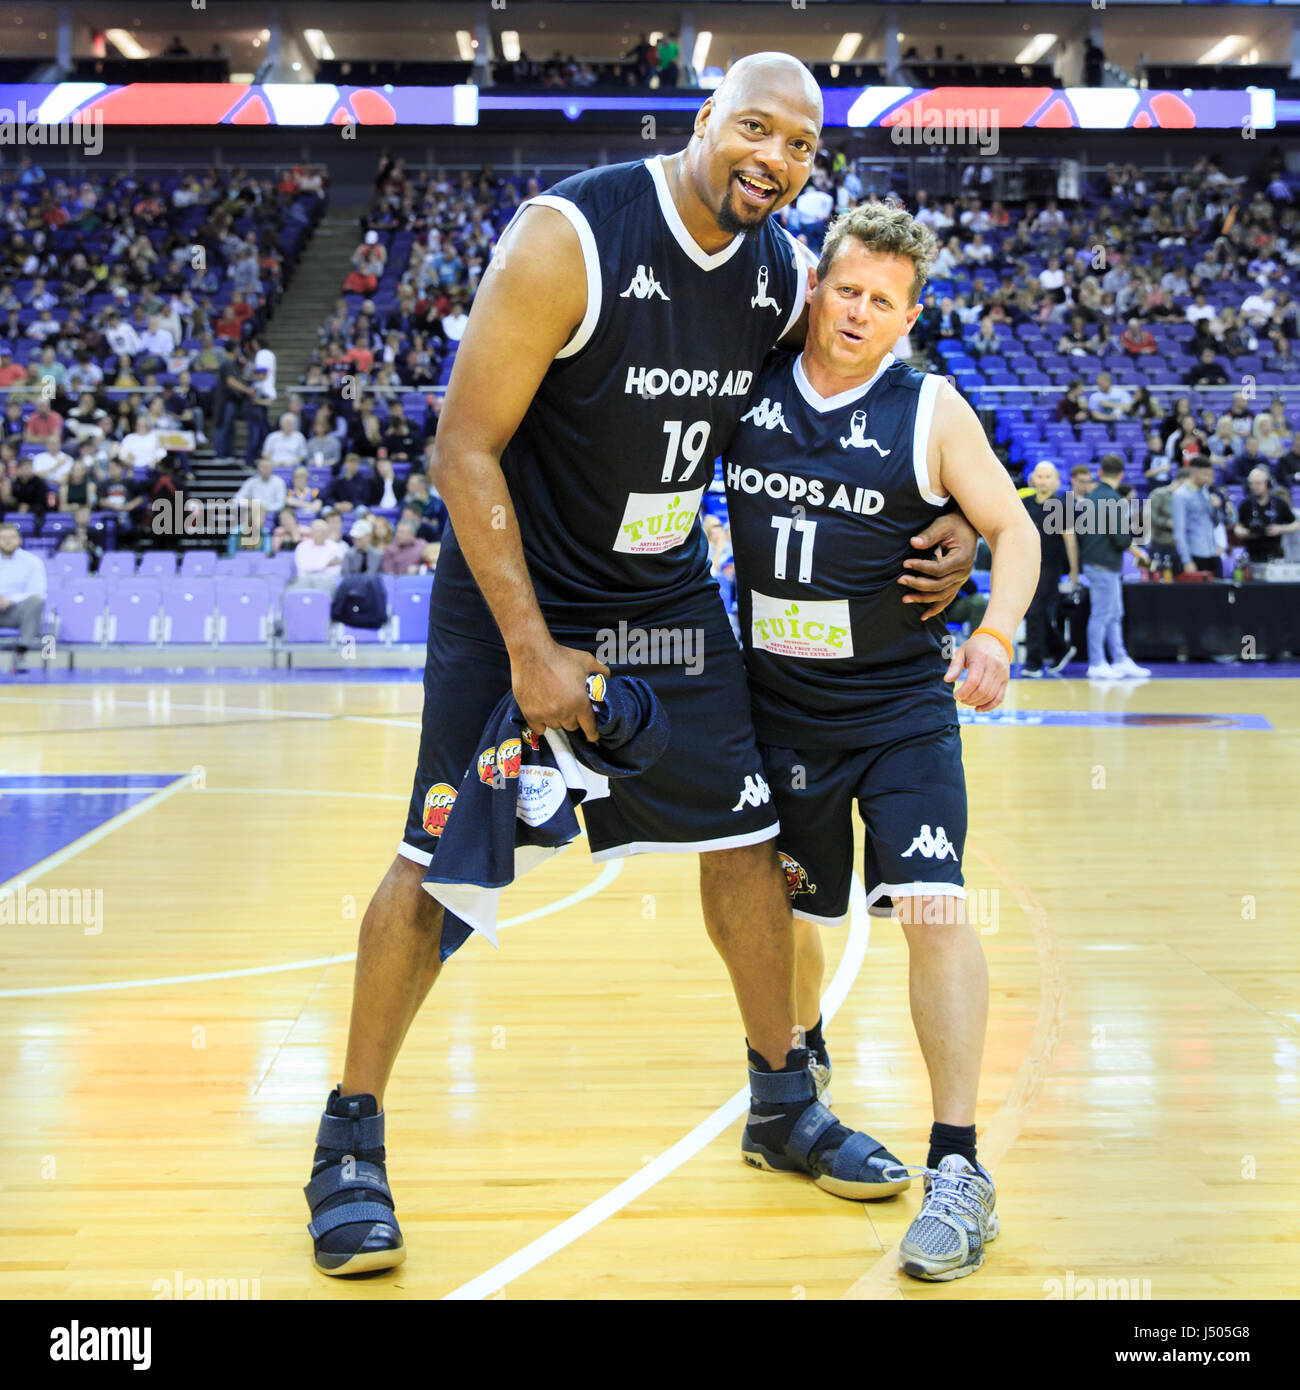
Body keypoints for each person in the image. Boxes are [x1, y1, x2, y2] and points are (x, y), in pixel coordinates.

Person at [302, 53, 977, 1278]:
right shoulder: (571, 238)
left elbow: (847, 404)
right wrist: (529, 645)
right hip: (519, 599)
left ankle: (782, 1099)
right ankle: (348, 1138)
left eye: (801, 147)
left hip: (663, 604)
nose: (772, 158)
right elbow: (462, 452)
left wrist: (965, 509)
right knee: (434, 860)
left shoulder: (779, 279)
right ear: (701, 119)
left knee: (745, 834)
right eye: (753, 127)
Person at [722, 200, 1039, 1281]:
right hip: (778, 710)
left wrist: (994, 628)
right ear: (817, 286)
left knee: (934, 913)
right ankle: (793, 1080)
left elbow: (1015, 526)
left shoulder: (930, 407)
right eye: (847, 290)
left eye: (884, 302)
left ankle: (958, 1163)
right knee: (798, 908)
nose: (860, 312)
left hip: (901, 710)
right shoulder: (747, 379)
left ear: (912, 314)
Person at [1076, 456, 1150, 679]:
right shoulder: (1116, 500)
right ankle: (1097, 662)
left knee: (1115, 612)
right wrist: (1139, 553)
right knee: (1101, 614)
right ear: (1121, 476)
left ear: (1099, 474)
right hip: (1104, 564)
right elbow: (1120, 538)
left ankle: (1119, 658)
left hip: (1095, 562)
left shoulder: (1088, 498)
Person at [1020, 461, 1078, 677]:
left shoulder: (1062, 504)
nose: (1043, 480)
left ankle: (1033, 662)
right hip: (1028, 564)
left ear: (1056, 480)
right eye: (1040, 476)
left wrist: (1073, 570)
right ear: (1033, 479)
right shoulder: (1025, 503)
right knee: (1035, 611)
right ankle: (1060, 649)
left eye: (1047, 476)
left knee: (1035, 608)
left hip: (1050, 565)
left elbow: (1070, 540)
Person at [0, 521, 46, 672]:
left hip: (17, 611)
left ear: (20, 540)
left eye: (11, 537)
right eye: (3, 537)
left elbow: (38, 591)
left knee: (36, 601)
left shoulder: (32, 562)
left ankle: (21, 654)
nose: (7, 541)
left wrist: (10, 599)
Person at [1233, 465, 1298, 566]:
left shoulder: (1279, 503)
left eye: (1258, 483)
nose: (1254, 487)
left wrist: (1281, 529)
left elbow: (1296, 524)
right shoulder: (1246, 504)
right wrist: (1243, 532)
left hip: (1275, 555)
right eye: (1251, 483)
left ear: (1268, 484)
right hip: (1251, 555)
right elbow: (1238, 526)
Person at [1171, 457, 1224, 576]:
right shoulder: (1180, 496)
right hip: (1195, 553)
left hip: (1212, 552)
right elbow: (1179, 531)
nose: (1208, 479)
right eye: (1205, 474)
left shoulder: (1206, 492)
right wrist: (1187, 560)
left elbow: (1216, 523)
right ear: (1194, 472)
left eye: (1210, 475)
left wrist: (1216, 508)